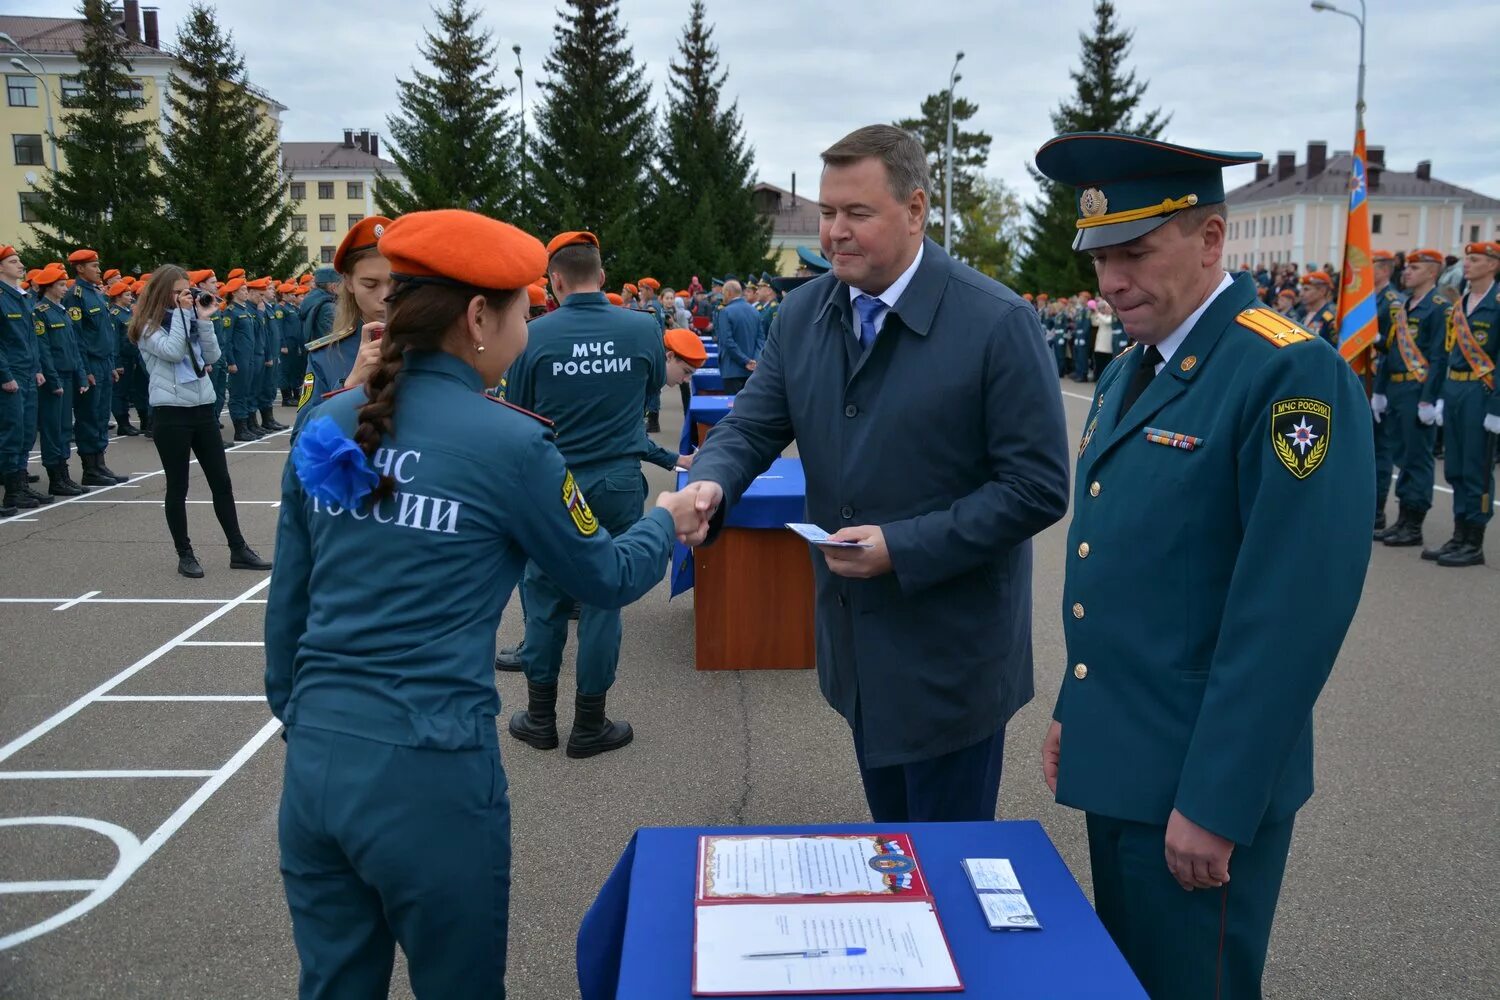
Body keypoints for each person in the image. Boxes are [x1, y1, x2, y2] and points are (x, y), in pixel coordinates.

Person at [264, 208, 697, 999]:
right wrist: (667, 522)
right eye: (521, 312)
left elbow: (288, 605)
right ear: (475, 318)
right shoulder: (510, 445)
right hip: (431, 776)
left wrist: (307, 719)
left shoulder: (328, 423)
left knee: (332, 984)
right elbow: (601, 574)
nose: (528, 329)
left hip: (318, 765)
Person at [1034, 131, 1372, 1000]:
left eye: (1136, 252)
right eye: (1100, 257)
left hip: (1197, 785)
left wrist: (1217, 803)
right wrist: (1079, 706)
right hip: (1123, 757)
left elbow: (1288, 616)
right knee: (1129, 979)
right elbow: (1115, 565)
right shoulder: (1130, 371)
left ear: (1212, 239)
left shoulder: (1287, 372)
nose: (1110, 282)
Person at [680, 124, 1070, 823]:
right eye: (828, 213)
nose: (834, 233)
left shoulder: (996, 322)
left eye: (857, 213)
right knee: (894, 854)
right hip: (858, 650)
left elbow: (1037, 487)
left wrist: (904, 547)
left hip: (952, 663)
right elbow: (751, 426)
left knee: (943, 874)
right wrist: (711, 479)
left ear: (916, 210)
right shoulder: (802, 314)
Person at [503, 230, 691, 757]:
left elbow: (518, 414)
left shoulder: (533, 335)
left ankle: (540, 719)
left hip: (552, 483)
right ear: (602, 276)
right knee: (604, 597)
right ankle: (590, 724)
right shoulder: (642, 327)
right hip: (616, 481)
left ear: (554, 280)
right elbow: (651, 390)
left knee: (542, 595)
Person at [130, 266, 272, 578]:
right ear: (163, 293)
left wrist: (203, 320)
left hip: (202, 408)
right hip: (171, 413)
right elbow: (171, 351)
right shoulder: (147, 326)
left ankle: (238, 548)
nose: (187, 296)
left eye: (188, 290)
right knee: (177, 487)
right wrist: (183, 315)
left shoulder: (190, 319)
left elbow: (212, 355)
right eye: (180, 291)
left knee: (221, 482)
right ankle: (185, 554)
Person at [1423, 241, 1498, 566]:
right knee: (1454, 467)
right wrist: (1437, 395)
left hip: (1481, 393)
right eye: (1467, 259)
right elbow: (1446, 353)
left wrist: (1497, 406)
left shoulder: (1497, 303)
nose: (1467, 264)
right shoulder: (1462, 303)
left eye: (1476, 259)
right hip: (1454, 390)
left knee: (1476, 469)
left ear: (1493, 265)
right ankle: (1458, 535)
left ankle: (1474, 540)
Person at [1371, 248, 1449, 548]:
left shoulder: (1439, 307)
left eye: (1415, 268)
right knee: (1401, 456)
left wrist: (1431, 399)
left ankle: (1413, 523)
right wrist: (1379, 390)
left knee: (1417, 458)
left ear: (1432, 271)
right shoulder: (1405, 305)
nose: (1407, 271)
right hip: (1397, 389)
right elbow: (1390, 352)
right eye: (1408, 267)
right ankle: (1402, 519)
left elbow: (1440, 356)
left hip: (1418, 392)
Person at [299, 219, 391, 422]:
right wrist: (349, 387)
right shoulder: (326, 355)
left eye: (395, 282)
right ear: (349, 283)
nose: (384, 296)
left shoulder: (434, 346)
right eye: (370, 284)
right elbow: (300, 441)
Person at [67, 249, 127, 485]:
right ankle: (90, 468)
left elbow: (105, 334)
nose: (99, 270)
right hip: (90, 362)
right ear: (80, 268)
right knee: (89, 415)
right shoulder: (76, 295)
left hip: (104, 361)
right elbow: (78, 337)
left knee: (102, 414)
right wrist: (85, 370)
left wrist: (111, 364)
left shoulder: (96, 293)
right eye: (93, 266)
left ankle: (100, 464)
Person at [32, 265, 92, 497]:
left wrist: (80, 373)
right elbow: (44, 350)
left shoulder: (62, 311)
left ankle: (64, 474)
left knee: (65, 428)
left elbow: (73, 347)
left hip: (68, 375)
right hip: (53, 379)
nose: (65, 288)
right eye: (60, 285)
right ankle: (56, 477)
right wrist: (53, 380)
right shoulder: (41, 312)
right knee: (52, 429)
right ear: (49, 287)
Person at [0, 246, 51, 512]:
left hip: (27, 372)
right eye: (13, 261)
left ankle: (20, 484)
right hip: (11, 375)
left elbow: (31, 338)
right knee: (10, 433)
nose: (20, 265)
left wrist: (37, 368)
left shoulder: (20, 297)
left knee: (26, 433)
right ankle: (11, 491)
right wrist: (5, 375)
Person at [1370, 250, 1403, 533]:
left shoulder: (1392, 302)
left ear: (1382, 270)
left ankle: (1378, 510)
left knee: (1381, 450)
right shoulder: (1368, 299)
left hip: (1383, 379)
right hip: (1368, 378)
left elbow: (1395, 349)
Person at [108, 280, 148, 437]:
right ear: (118, 297)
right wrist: (116, 362)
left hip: (133, 357)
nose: (130, 297)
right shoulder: (114, 314)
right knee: (120, 392)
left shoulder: (127, 312)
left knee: (135, 390)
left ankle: (139, 420)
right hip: (122, 359)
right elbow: (114, 341)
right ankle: (123, 423)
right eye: (126, 294)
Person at [713, 280, 760, 394]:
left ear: (729, 293)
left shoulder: (725, 312)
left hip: (732, 370)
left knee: (734, 408)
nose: (722, 297)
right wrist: (754, 360)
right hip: (752, 370)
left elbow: (727, 341)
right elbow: (761, 339)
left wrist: (746, 361)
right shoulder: (755, 311)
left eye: (723, 293)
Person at [1298, 270, 1338, 346]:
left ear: (1322, 291)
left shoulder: (1330, 317)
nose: (1301, 294)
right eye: (1301, 289)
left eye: (1306, 289)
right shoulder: (1304, 316)